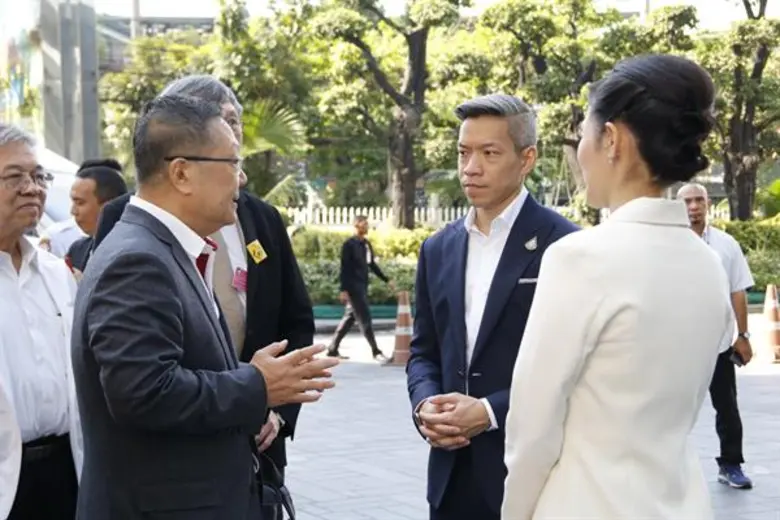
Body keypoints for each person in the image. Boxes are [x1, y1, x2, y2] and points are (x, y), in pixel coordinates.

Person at [70, 95, 338, 519]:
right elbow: (144, 394)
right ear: (181, 173)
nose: (243, 178)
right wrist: (256, 384)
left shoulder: (168, 249)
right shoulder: (137, 260)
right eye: (231, 163)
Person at [501, 55, 735, 520]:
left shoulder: (580, 258)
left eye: (583, 135)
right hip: (681, 502)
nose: (580, 152)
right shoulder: (708, 263)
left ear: (611, 139)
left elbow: (533, 430)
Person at [407, 93, 578, 520]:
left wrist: (487, 411)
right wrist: (425, 405)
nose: (471, 167)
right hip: (450, 475)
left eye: (489, 153)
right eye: (464, 152)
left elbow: (575, 366)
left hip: (533, 475)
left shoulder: (567, 245)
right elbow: (423, 351)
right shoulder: (438, 248)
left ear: (527, 159)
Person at [0, 123, 83, 520]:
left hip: (65, 472)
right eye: (14, 177)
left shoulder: (55, 273)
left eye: (37, 176)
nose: (32, 188)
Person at [677, 182, 754, 489]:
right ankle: (668, 470)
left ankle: (731, 464)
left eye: (699, 200)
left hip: (719, 344)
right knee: (671, 409)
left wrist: (743, 335)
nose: (694, 206)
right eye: (687, 202)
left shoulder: (726, 244)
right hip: (678, 346)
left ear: (708, 204)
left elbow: (738, 291)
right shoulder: (669, 245)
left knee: (727, 407)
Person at [327, 215, 394, 362]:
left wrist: (386, 279)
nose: (367, 227)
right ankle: (376, 351)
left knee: (350, 318)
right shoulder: (349, 245)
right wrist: (343, 289)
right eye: (364, 224)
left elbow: (371, 265)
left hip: (362, 285)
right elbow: (344, 268)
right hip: (353, 287)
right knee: (365, 319)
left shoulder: (366, 244)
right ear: (357, 225)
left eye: (367, 224)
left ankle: (332, 349)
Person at [66, 159, 128, 272]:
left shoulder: (131, 253)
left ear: (107, 206)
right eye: (73, 202)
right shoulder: (77, 250)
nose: (73, 211)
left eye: (80, 203)